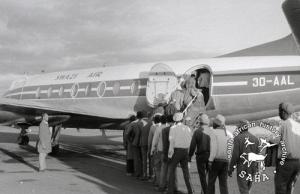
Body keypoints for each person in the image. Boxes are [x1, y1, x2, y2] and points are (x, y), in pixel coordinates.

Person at [273, 102, 300, 194]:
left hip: (286, 162)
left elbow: (274, 140)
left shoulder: (283, 124)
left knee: (280, 187)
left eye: (280, 111)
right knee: (289, 187)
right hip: (297, 163)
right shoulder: (298, 126)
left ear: (284, 112)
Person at [228, 120, 259, 194]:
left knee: (243, 190)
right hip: (252, 167)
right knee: (247, 189)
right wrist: (257, 167)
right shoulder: (255, 138)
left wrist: (231, 169)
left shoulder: (238, 138)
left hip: (242, 166)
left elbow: (235, 155)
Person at [168, 112, 194, 194]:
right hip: (185, 151)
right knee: (186, 173)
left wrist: (169, 155)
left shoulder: (173, 128)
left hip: (176, 151)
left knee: (171, 171)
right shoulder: (188, 128)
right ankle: (190, 191)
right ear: (182, 119)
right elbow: (190, 141)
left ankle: (170, 191)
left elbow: (171, 142)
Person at [207, 115, 233, 194]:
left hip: (215, 160)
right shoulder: (229, 134)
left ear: (216, 124)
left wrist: (210, 161)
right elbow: (231, 150)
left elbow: (213, 148)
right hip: (226, 161)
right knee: (223, 184)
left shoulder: (212, 133)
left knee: (211, 182)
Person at [189, 114, 214, 194]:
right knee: (210, 177)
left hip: (200, 156)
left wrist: (189, 156)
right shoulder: (212, 131)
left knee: (202, 177)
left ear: (200, 122)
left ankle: (205, 192)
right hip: (210, 156)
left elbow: (192, 146)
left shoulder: (197, 132)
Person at [160, 114, 178, 192]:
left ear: (167, 121)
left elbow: (165, 143)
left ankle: (162, 186)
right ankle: (175, 187)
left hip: (167, 151)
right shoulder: (177, 129)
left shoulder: (165, 130)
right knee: (173, 171)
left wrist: (164, 153)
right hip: (175, 152)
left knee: (164, 170)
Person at [151, 115, 168, 187]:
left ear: (161, 121)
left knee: (158, 168)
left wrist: (152, 150)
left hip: (159, 150)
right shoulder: (169, 128)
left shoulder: (158, 128)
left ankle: (159, 183)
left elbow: (154, 141)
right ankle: (165, 184)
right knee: (165, 169)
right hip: (166, 151)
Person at [127, 111, 143, 178]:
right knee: (141, 159)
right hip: (142, 143)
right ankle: (142, 172)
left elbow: (127, 134)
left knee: (136, 159)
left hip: (135, 143)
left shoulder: (133, 124)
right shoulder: (143, 123)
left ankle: (137, 173)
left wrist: (129, 141)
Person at [148, 114, 161, 181]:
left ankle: (154, 178)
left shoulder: (152, 127)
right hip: (163, 148)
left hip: (155, 148)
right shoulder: (165, 126)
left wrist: (149, 149)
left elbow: (150, 140)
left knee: (154, 164)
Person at [139, 112, 151, 180]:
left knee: (144, 159)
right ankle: (151, 174)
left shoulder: (140, 122)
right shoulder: (151, 122)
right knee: (150, 159)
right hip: (149, 143)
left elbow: (138, 132)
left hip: (143, 142)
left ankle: (144, 174)